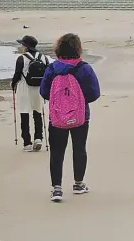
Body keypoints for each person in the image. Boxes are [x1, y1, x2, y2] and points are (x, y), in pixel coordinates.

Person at [38, 33, 101, 202]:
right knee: (79, 148)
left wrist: (61, 102)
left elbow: (44, 92)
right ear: (78, 48)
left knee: (57, 152)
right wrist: (79, 100)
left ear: (58, 49)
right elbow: (95, 93)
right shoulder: (85, 68)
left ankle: (57, 188)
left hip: (57, 116)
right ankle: (79, 184)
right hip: (80, 115)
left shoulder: (52, 69)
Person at [11, 35, 48, 151]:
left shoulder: (21, 58)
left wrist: (13, 84)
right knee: (38, 113)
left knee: (24, 114)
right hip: (38, 88)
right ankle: (39, 138)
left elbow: (17, 75)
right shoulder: (43, 57)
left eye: (22, 44)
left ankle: (27, 142)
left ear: (25, 46)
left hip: (24, 88)